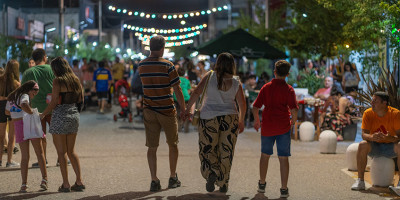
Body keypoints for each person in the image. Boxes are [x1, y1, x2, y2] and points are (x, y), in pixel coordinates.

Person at [184, 52, 246, 193]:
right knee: (226, 151)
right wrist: (241, 120)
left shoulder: (209, 76)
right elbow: (242, 104)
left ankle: (212, 172)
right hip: (230, 118)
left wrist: (188, 109)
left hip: (209, 118)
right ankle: (223, 182)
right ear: (232, 65)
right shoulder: (236, 81)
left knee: (207, 148)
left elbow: (196, 93)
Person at [138, 35, 185, 192]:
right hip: (166, 110)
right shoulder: (168, 65)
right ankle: (172, 177)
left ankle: (154, 179)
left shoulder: (141, 65)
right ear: (163, 47)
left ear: (150, 47)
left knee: (152, 147)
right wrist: (184, 109)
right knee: (173, 144)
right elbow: (177, 89)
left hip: (149, 110)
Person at [252, 60, 298, 198]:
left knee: (265, 155)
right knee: (283, 158)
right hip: (283, 126)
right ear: (288, 74)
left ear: (275, 72)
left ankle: (262, 183)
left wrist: (256, 121)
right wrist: (292, 122)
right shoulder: (289, 89)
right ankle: (284, 188)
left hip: (268, 126)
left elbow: (255, 107)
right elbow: (294, 110)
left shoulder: (266, 87)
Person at [40, 57, 85, 192]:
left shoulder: (58, 81)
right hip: (73, 115)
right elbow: (80, 99)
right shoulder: (76, 80)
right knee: (71, 151)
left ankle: (65, 184)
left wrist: (43, 114)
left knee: (62, 153)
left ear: (57, 69)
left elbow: (53, 102)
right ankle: (79, 181)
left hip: (60, 116)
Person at [351, 91, 400, 191]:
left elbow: (399, 137)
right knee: (362, 144)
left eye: (375, 101)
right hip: (375, 146)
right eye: (372, 101)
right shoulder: (368, 113)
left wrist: (388, 138)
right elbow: (364, 135)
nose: (371, 103)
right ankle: (360, 181)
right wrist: (372, 137)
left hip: (391, 146)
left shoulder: (395, 114)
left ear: (384, 103)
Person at [7, 80, 48, 192]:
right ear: (30, 89)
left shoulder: (12, 96)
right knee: (40, 153)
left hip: (18, 125)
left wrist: (17, 112)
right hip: (29, 123)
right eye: (34, 93)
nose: (34, 95)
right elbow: (24, 104)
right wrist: (32, 113)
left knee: (25, 157)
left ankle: (24, 184)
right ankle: (44, 179)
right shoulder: (25, 95)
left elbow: (7, 112)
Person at [22, 48, 55, 168]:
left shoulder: (28, 73)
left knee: (41, 136)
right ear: (44, 57)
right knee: (57, 134)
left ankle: (43, 159)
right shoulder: (52, 69)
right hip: (53, 108)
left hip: (36, 109)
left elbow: (23, 91)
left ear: (34, 59)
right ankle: (61, 157)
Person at [0, 60, 21, 167]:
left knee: (1, 135)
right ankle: (9, 161)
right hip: (12, 108)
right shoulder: (17, 83)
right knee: (12, 135)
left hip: (1, 106)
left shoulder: (0, 79)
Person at [173, 67, 191, 133]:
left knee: (177, 112)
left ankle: (178, 128)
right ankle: (186, 128)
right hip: (185, 97)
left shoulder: (175, 79)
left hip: (176, 97)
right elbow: (189, 90)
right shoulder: (187, 80)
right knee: (186, 112)